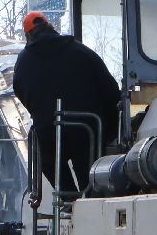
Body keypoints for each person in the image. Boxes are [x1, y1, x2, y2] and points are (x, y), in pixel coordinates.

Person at [12, 11, 123, 194]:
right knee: (91, 185)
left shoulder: (24, 62)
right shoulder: (80, 51)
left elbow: (21, 92)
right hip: (87, 130)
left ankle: (67, 198)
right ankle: (90, 197)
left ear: (28, 35)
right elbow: (110, 89)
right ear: (50, 27)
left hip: (49, 133)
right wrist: (110, 129)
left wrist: (41, 113)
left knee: (54, 171)